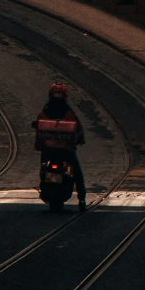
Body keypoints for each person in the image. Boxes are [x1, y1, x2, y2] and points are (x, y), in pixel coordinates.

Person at [33, 80, 87, 209]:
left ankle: (45, 185)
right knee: (77, 173)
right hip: (66, 152)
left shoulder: (44, 112)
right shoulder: (69, 113)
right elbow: (79, 130)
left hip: (48, 151)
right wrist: (80, 140)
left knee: (43, 168)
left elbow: (39, 128)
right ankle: (82, 199)